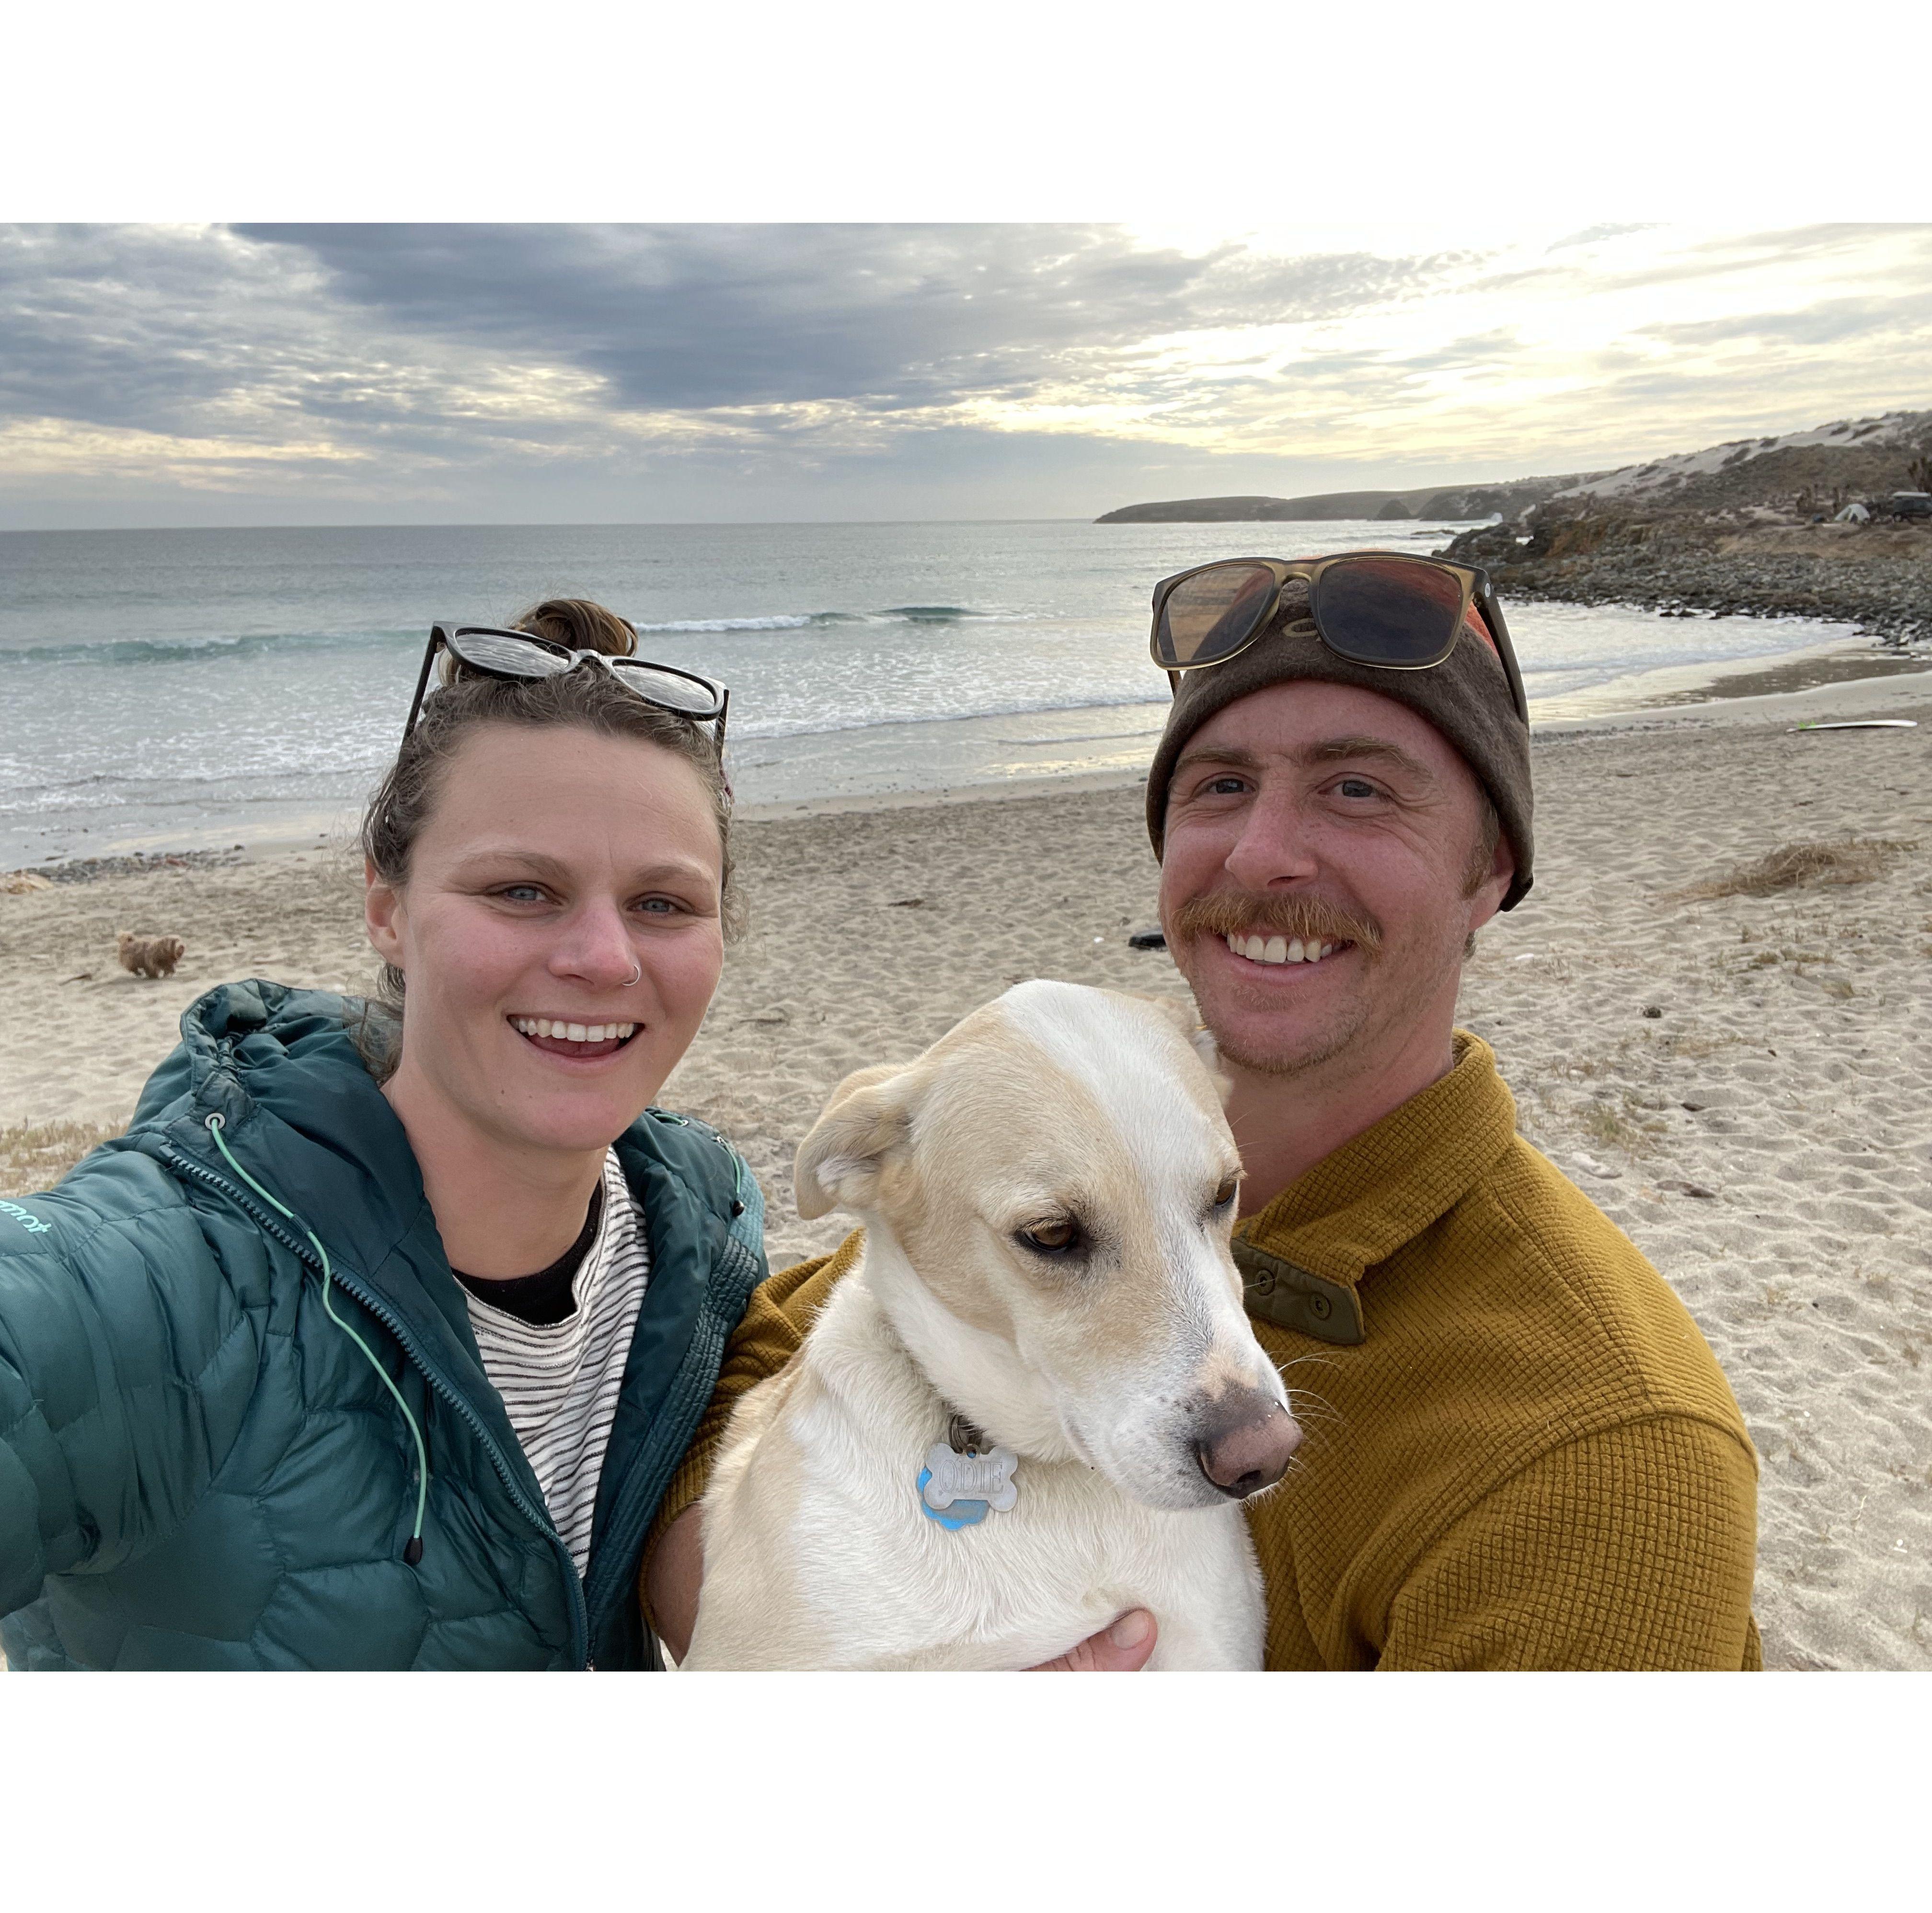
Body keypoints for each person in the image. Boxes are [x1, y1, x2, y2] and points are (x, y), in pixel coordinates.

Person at [644, 552, 1761, 1671]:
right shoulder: (1058, 1135)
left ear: (1491, 868)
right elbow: (759, 1362)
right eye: (1220, 786)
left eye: (1358, 787)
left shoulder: (1611, 1454)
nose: (1265, 853)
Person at [0, 599, 766, 1670]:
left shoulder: (711, 1228)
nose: (605, 958)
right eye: (522, 890)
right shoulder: (166, 1287)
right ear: (388, 909)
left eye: (664, 904)